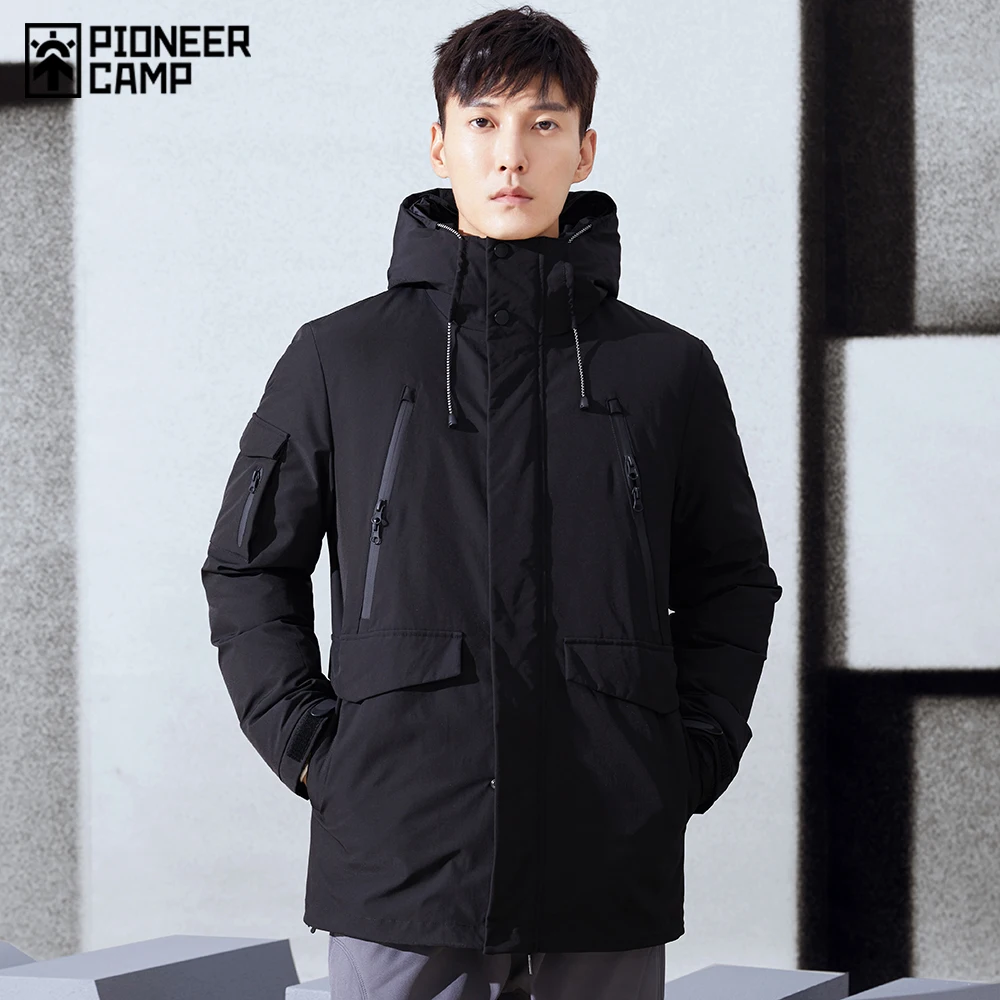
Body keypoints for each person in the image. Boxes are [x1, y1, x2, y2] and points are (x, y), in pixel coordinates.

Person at [200, 6, 782, 998]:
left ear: (584, 150)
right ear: (440, 143)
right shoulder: (341, 357)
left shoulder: (667, 369)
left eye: (543, 123)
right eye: (482, 122)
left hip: (605, 858)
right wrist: (310, 748)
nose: (511, 153)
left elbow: (731, 581)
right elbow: (247, 566)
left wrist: (691, 755)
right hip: (401, 865)